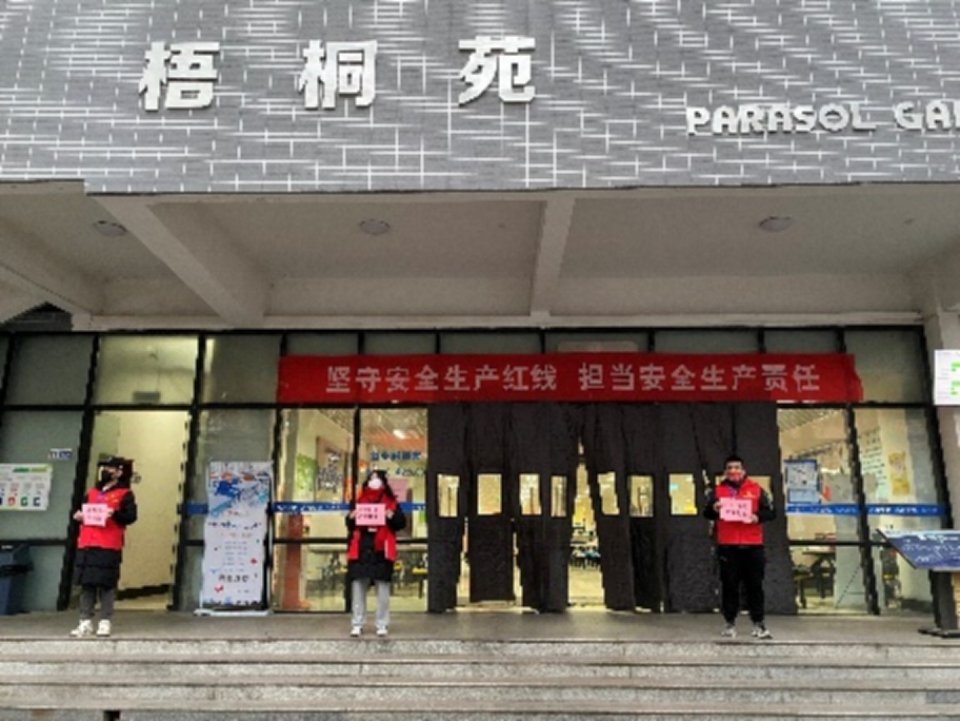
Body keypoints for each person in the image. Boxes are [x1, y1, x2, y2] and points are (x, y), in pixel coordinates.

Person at [702, 454, 775, 640]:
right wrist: (714, 509)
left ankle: (758, 623)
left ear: (743, 470)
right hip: (728, 545)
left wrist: (757, 517)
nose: (733, 471)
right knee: (729, 586)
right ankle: (729, 623)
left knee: (755, 586)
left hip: (753, 545)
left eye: (737, 468)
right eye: (730, 468)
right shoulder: (717, 491)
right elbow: (706, 513)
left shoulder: (756, 489)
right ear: (725, 471)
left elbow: (770, 512)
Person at [70, 456, 138, 638]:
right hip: (87, 542)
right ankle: (85, 621)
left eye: (110, 468)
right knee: (87, 584)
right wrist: (78, 516)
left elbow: (130, 517)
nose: (106, 471)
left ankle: (105, 621)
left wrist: (114, 514)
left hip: (108, 544)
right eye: (104, 468)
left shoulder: (124, 494)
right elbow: (81, 510)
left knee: (107, 584)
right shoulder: (92, 492)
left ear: (119, 472)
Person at [346, 469, 406, 637]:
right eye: (371, 479)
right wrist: (351, 517)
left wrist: (391, 516)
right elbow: (349, 524)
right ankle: (357, 623)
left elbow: (400, 523)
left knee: (383, 589)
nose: (374, 482)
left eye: (377, 479)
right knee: (358, 587)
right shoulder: (359, 500)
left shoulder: (391, 502)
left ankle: (382, 624)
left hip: (382, 550)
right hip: (361, 549)